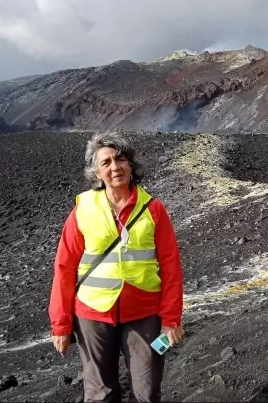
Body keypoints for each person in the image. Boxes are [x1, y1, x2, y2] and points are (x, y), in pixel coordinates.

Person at [48, 131, 184, 402]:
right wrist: (61, 325)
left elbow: (171, 268)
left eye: (120, 159)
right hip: (93, 315)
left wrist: (171, 320)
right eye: (106, 163)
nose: (114, 167)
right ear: (96, 173)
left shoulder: (153, 209)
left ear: (131, 165)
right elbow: (64, 267)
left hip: (145, 313)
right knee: (100, 394)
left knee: (146, 391)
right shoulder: (83, 209)